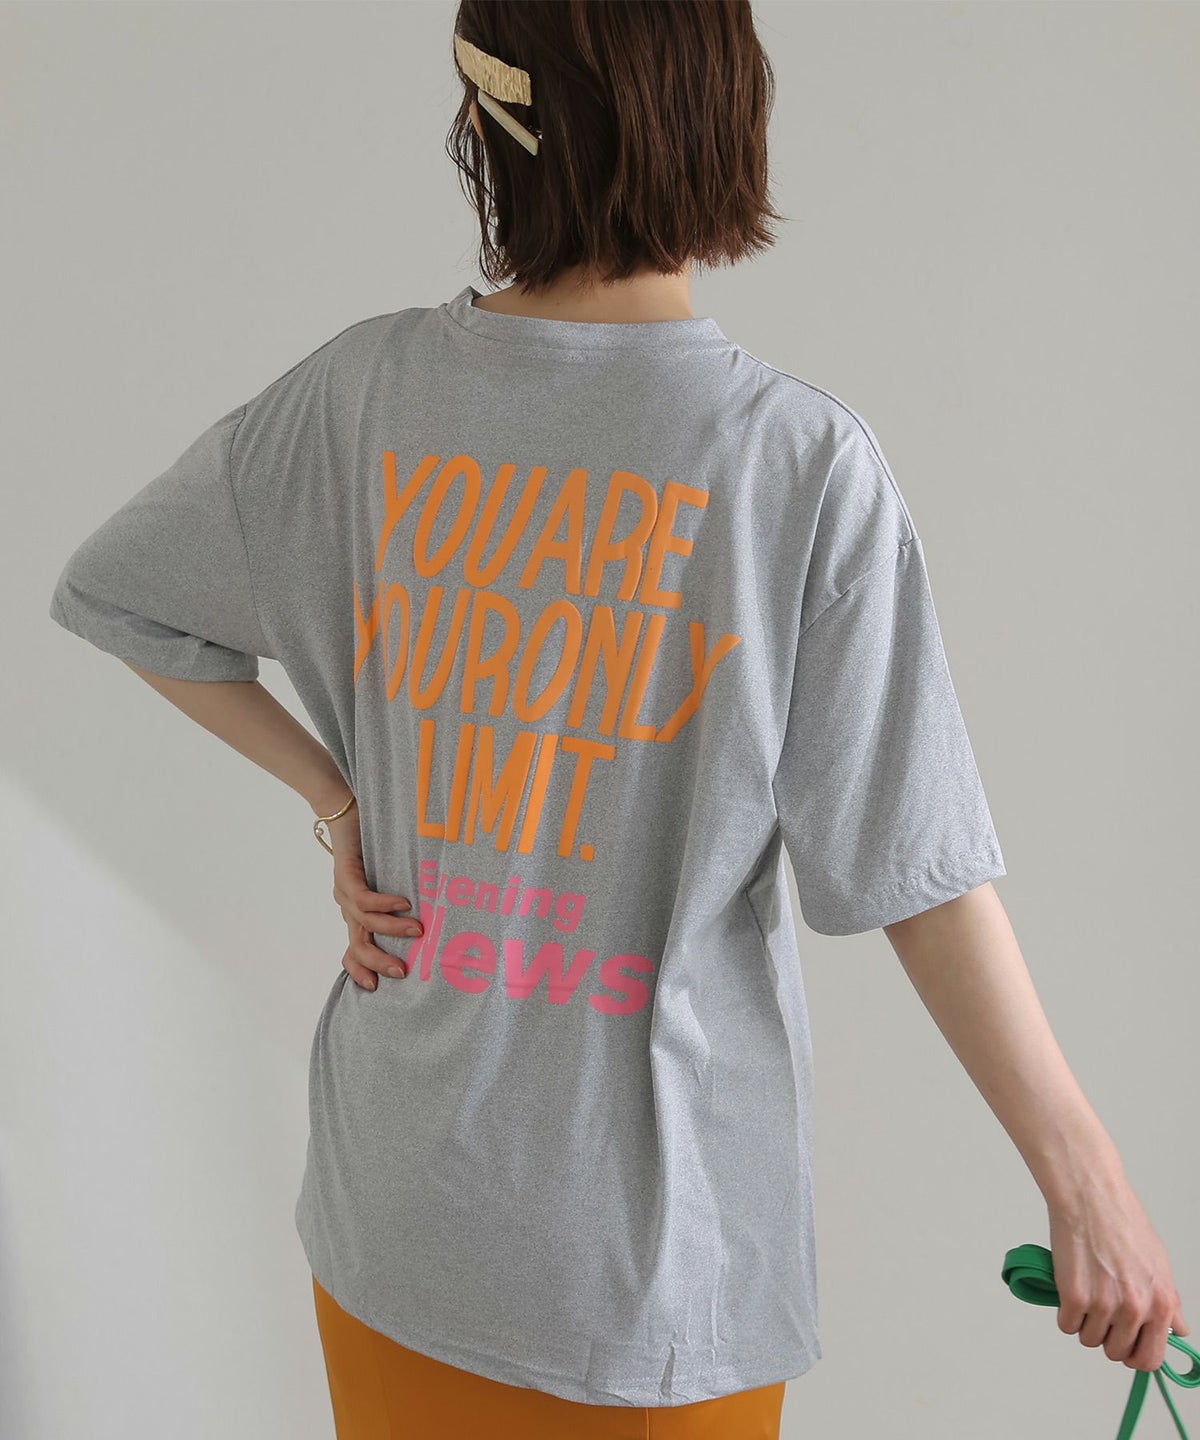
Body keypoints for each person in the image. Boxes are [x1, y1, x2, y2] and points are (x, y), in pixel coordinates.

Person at [47, 2, 1189, 1437]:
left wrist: (341, 804)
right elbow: (919, 870)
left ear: (490, 130)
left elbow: (120, 593)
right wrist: (1088, 1181)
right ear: (727, 112)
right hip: (650, 1274)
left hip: (398, 1215)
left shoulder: (358, 398)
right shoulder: (794, 465)